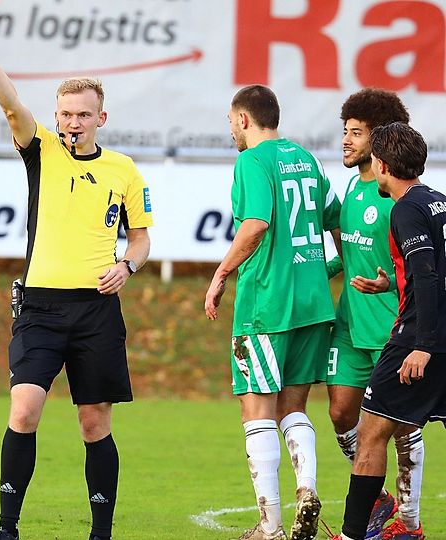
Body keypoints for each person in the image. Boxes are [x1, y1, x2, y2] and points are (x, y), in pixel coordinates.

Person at [0, 18, 153, 540]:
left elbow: (141, 239)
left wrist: (127, 265)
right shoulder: (40, 149)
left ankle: (101, 532)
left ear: (101, 118)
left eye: (83, 114)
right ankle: (6, 528)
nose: (73, 122)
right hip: (40, 309)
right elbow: (9, 103)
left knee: (94, 423)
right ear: (56, 117)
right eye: (66, 113)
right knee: (24, 410)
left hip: (95, 310)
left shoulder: (123, 169)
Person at [204, 85, 340, 540]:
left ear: (244, 119)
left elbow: (256, 224)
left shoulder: (252, 161)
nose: (231, 131)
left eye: (230, 121)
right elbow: (333, 217)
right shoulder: (307, 159)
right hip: (313, 305)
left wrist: (222, 273)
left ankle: (271, 525)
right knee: (294, 407)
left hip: (267, 305)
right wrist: (331, 269)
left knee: (257, 410)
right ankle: (306, 490)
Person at [332, 122, 443, 540]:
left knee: (373, 432)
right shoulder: (438, 202)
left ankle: (352, 535)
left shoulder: (405, 209)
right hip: (437, 333)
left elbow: (428, 275)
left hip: (417, 340)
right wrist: (391, 284)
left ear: (380, 163)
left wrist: (423, 345)